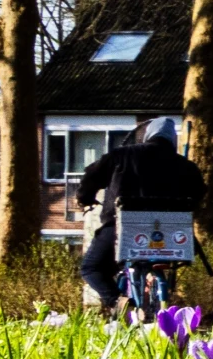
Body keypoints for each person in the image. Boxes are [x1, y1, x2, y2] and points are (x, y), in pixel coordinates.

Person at [73, 117, 202, 309]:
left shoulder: (122, 155)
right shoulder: (186, 166)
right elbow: (199, 193)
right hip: (170, 236)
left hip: (122, 229)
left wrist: (84, 198)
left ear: (148, 135)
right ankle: (153, 285)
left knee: (92, 268)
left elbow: (92, 175)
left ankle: (118, 301)